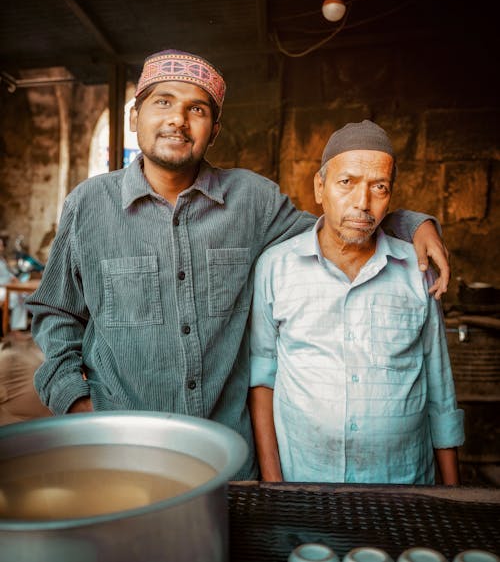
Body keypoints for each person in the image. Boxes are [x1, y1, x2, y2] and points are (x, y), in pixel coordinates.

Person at [27, 50, 450, 480]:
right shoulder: (89, 204)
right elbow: (54, 311)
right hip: (123, 450)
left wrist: (414, 224)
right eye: (163, 102)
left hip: (227, 459)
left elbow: (340, 227)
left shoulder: (253, 202)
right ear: (135, 117)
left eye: (197, 109)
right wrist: (77, 401)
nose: (178, 119)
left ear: (214, 131)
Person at [248, 120, 464, 484]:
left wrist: (453, 496)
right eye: (346, 183)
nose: (362, 203)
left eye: (379, 187)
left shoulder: (416, 269)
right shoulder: (275, 267)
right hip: (305, 486)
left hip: (405, 485)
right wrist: (274, 485)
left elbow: (440, 388)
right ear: (320, 187)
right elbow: (262, 380)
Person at [0, 235, 29, 333]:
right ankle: (15, 330)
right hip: (2, 288)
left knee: (25, 295)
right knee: (17, 298)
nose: (1, 248)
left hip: (8, 286)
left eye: (1, 245)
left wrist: (14, 279)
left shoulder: (2, 260)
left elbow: (8, 274)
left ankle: (21, 325)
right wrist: (9, 283)